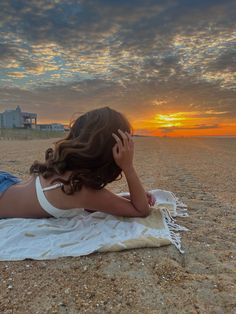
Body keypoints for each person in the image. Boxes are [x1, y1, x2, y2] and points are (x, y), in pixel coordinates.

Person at [0, 107, 155, 219]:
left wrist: (126, 197)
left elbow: (92, 204)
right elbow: (141, 210)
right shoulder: (83, 190)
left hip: (7, 184)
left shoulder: (64, 170)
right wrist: (128, 167)